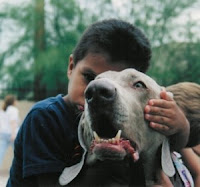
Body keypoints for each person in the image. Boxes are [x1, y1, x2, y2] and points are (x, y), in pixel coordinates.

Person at [7, 19, 189, 186]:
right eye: (89, 77)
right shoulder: (46, 117)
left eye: (134, 85)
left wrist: (180, 125)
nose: (97, 91)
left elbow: (178, 143)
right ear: (71, 67)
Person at [0, 94, 20, 167]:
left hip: (3, 134)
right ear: (13, 101)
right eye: (16, 100)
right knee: (19, 153)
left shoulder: (3, 110)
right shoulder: (13, 109)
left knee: (0, 153)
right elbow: (13, 122)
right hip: (12, 134)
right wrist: (13, 134)